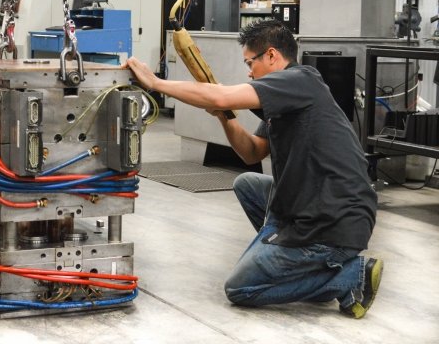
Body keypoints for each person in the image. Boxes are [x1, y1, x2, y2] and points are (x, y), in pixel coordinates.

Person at [126, 19, 382, 318]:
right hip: (314, 204)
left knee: (240, 288)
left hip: (333, 220)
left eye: (251, 62)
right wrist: (225, 118)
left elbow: (221, 95)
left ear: (272, 55)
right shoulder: (285, 100)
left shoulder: (300, 80)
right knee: (247, 183)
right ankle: (306, 266)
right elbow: (251, 153)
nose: (249, 72)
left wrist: (156, 84)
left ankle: (349, 275)